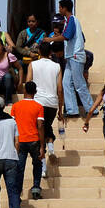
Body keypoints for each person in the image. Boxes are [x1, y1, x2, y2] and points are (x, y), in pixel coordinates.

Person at [48, 0, 91, 132]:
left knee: (79, 84)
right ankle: (72, 110)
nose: (59, 9)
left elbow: (66, 36)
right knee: (66, 83)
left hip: (76, 56)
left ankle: (91, 109)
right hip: (70, 57)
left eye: (60, 7)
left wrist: (50, 39)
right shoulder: (68, 21)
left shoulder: (72, 19)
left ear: (65, 8)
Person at [28, 40, 64, 168]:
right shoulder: (57, 66)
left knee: (39, 133)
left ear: (38, 51)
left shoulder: (33, 65)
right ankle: (51, 146)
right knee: (47, 125)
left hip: (37, 102)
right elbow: (60, 89)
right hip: (52, 103)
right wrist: (60, 109)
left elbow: (28, 84)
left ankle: (43, 167)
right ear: (50, 52)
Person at [10, 82, 46, 202]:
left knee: (20, 168)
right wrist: (42, 145)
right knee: (37, 165)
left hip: (20, 141)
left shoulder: (15, 106)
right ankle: (36, 188)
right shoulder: (39, 107)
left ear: (24, 91)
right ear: (35, 92)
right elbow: (40, 125)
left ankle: (18, 192)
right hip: (34, 140)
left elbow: (12, 125)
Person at [13, 13, 48, 83]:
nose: (31, 23)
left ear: (37, 22)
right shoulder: (23, 33)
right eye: (29, 21)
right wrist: (29, 53)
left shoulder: (42, 33)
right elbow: (18, 47)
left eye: (33, 21)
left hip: (38, 58)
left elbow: (44, 47)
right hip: (25, 59)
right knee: (17, 65)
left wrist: (30, 50)